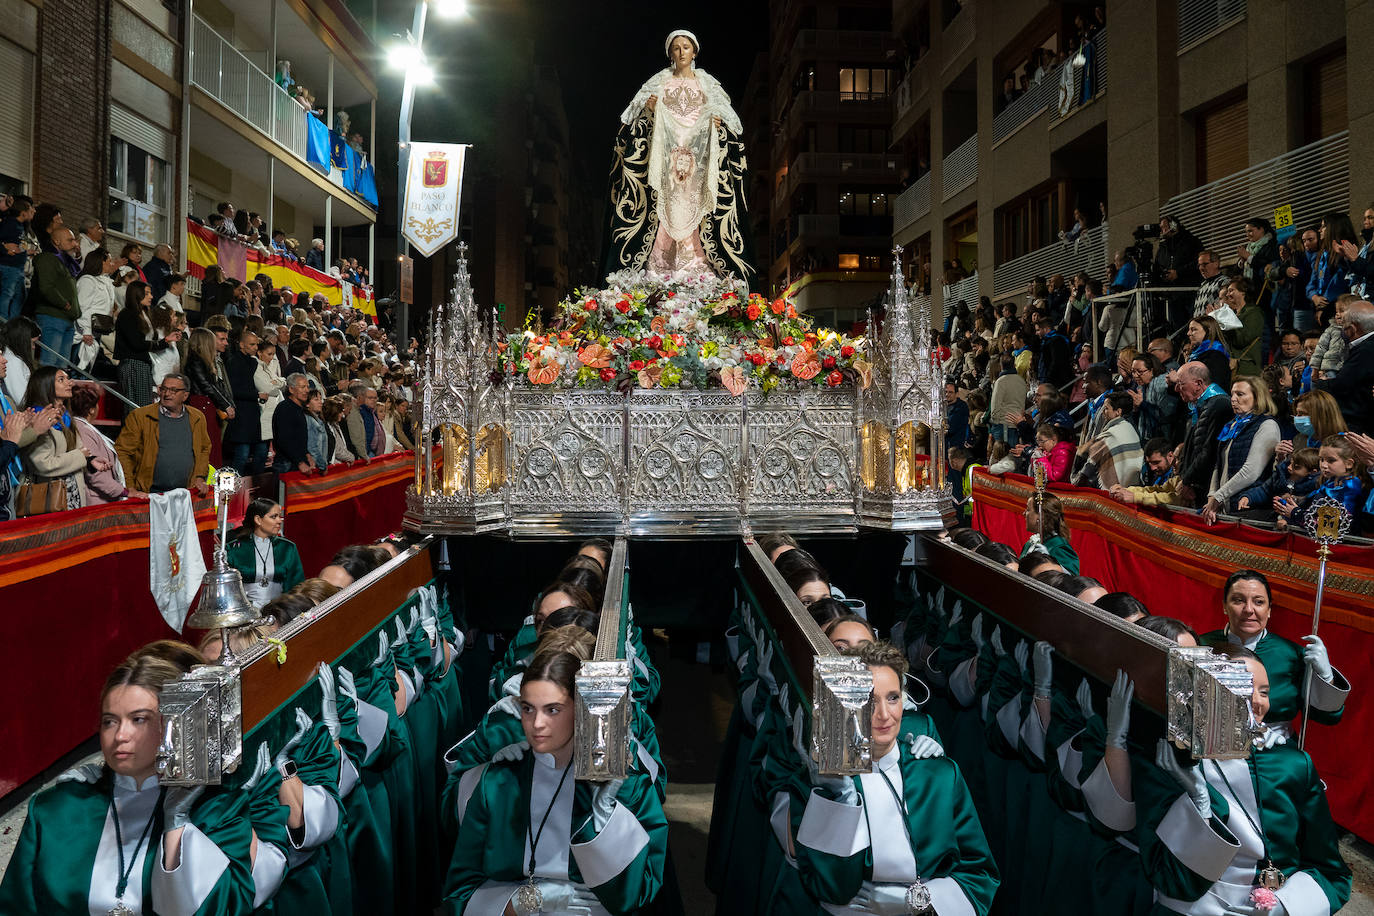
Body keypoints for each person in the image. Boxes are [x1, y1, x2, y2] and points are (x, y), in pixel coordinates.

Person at [0, 642, 257, 913]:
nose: (120, 735)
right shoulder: (56, 809)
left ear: (177, 723)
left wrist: (177, 823)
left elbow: (229, 907)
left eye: (139, 719)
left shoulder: (218, 806)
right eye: (110, 721)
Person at [444, 646, 669, 914]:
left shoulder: (626, 785)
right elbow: (459, 891)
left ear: (580, 711)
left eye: (552, 710)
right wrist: (520, 903)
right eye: (528, 708)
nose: (536, 723)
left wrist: (606, 825)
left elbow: (642, 890)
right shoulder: (497, 783)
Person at [1133, 646, 1351, 916]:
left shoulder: (1292, 765)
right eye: (1245, 687)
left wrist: (1283, 907)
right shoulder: (1174, 759)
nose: (1259, 702)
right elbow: (1162, 870)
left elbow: (1331, 872)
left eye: (1265, 691)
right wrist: (1200, 801)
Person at [790, 641, 999, 915]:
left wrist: (916, 901)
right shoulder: (825, 785)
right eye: (868, 699)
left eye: (892, 697)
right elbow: (829, 887)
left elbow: (980, 873)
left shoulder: (940, 775)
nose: (884, 715)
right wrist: (840, 800)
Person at [606, 29, 752, 283]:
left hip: (698, 163)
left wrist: (717, 125)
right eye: (676, 47)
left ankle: (695, 265)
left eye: (686, 47)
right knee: (663, 212)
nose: (681, 52)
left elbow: (731, 123)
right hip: (665, 161)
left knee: (695, 212)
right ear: (670, 53)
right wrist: (649, 112)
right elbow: (633, 119)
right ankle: (659, 268)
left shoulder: (707, 84)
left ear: (694, 51)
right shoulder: (659, 82)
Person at [1200, 570, 1348, 731]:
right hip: (1212, 745)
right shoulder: (1201, 646)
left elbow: (1327, 716)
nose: (1249, 609)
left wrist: (1326, 678)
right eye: (1238, 600)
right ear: (1224, 606)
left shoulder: (1293, 655)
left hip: (1275, 749)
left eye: (1258, 602)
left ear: (1269, 609)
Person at [114, 372, 212, 497]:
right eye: (164, 389)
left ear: (185, 395)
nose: (166, 394)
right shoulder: (140, 416)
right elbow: (123, 452)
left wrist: (199, 477)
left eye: (173, 390)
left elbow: (204, 449)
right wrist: (129, 487)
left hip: (185, 495)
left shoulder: (197, 417)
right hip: (149, 495)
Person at [1200, 376, 1281, 524]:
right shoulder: (1231, 425)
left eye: (1240, 394)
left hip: (1249, 509)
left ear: (1257, 397)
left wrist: (1219, 496)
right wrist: (1212, 496)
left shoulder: (1267, 425)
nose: (1233, 399)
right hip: (1225, 505)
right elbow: (1218, 466)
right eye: (1232, 394)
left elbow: (1251, 471)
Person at [18, 366, 94, 512]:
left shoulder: (65, 416)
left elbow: (75, 451)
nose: (69, 383)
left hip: (70, 497)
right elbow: (42, 464)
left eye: (67, 378)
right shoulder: (39, 419)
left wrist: (91, 460)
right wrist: (79, 456)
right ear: (46, 386)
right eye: (61, 380)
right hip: (48, 500)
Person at [226, 497, 305, 608]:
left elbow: (297, 586)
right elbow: (228, 590)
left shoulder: (287, 548)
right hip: (244, 612)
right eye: (274, 517)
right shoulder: (234, 549)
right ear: (258, 520)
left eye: (279, 516)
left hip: (281, 611)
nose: (279, 520)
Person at [114, 281, 181, 408]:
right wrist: (163, 342)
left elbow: (148, 343)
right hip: (133, 365)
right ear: (136, 295)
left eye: (150, 293)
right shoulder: (127, 314)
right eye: (147, 293)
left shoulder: (145, 314)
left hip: (143, 364)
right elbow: (137, 344)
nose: (151, 296)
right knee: (135, 408)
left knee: (144, 407)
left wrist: (165, 340)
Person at [1314, 299, 1374, 434]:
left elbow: (1341, 386)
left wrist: (1321, 383)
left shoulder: (1366, 350)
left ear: (1352, 329)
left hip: (1359, 427)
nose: (1341, 329)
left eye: (1343, 325)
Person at [69, 385, 131, 503]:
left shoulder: (83, 428)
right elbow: (94, 473)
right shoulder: (82, 430)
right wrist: (123, 491)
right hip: (96, 501)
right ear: (92, 409)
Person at [30, 226, 82, 366]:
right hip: (53, 317)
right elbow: (46, 287)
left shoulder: (64, 262)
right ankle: (45, 388)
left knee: (61, 367)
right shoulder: (48, 259)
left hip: (66, 319)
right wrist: (63, 303)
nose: (75, 244)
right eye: (70, 240)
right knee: (49, 364)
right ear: (57, 241)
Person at [1071, 391, 1143, 489]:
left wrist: (1075, 481)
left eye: (1106, 408)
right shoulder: (1130, 428)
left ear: (1118, 411)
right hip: (1133, 487)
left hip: (1116, 491)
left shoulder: (1112, 434)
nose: (1103, 413)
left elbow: (1087, 469)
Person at [225, 330, 268, 474]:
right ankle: (231, 491)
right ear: (242, 345)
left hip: (253, 415)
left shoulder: (252, 362)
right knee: (241, 456)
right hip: (241, 415)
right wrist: (256, 395)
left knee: (260, 453)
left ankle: (254, 489)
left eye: (257, 344)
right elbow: (233, 390)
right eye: (252, 344)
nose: (256, 347)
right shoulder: (233, 362)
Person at [75, 247, 120, 371]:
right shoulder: (87, 280)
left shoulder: (106, 282)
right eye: (110, 261)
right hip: (84, 335)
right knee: (79, 366)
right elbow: (82, 308)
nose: (112, 264)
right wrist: (86, 331)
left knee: (89, 367)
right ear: (101, 262)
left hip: (97, 332)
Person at [1021, 491, 1079, 574]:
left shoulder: (1059, 547)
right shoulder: (1030, 544)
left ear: (1041, 516)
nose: (1024, 513)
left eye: (1028, 509)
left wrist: (1049, 562)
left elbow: (1072, 580)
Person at [272, 373, 315, 475]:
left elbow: (299, 438)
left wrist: (307, 456)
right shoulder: (284, 408)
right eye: (302, 387)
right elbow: (284, 439)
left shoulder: (299, 408)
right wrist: (300, 462)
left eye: (307, 387)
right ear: (291, 389)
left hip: (297, 462)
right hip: (286, 465)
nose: (307, 390)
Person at [1180, 315, 1231, 391]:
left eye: (1193, 329)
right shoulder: (1197, 354)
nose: (1188, 333)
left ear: (1208, 330)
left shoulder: (1216, 355)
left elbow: (1214, 386)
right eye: (1189, 330)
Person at [344, 383, 383, 460]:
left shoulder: (371, 411)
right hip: (364, 454)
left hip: (370, 452)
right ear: (359, 397)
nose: (373, 400)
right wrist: (364, 454)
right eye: (370, 397)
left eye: (375, 398)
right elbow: (357, 437)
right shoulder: (357, 412)